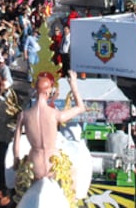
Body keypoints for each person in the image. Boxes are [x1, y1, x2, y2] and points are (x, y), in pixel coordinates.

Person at [12, 70, 86, 206]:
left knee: (21, 193)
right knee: (73, 177)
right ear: (49, 91)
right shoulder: (55, 114)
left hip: (34, 165)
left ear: (35, 89)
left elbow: (16, 141)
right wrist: (73, 85)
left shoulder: (24, 115)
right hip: (54, 164)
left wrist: (16, 160)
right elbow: (80, 108)